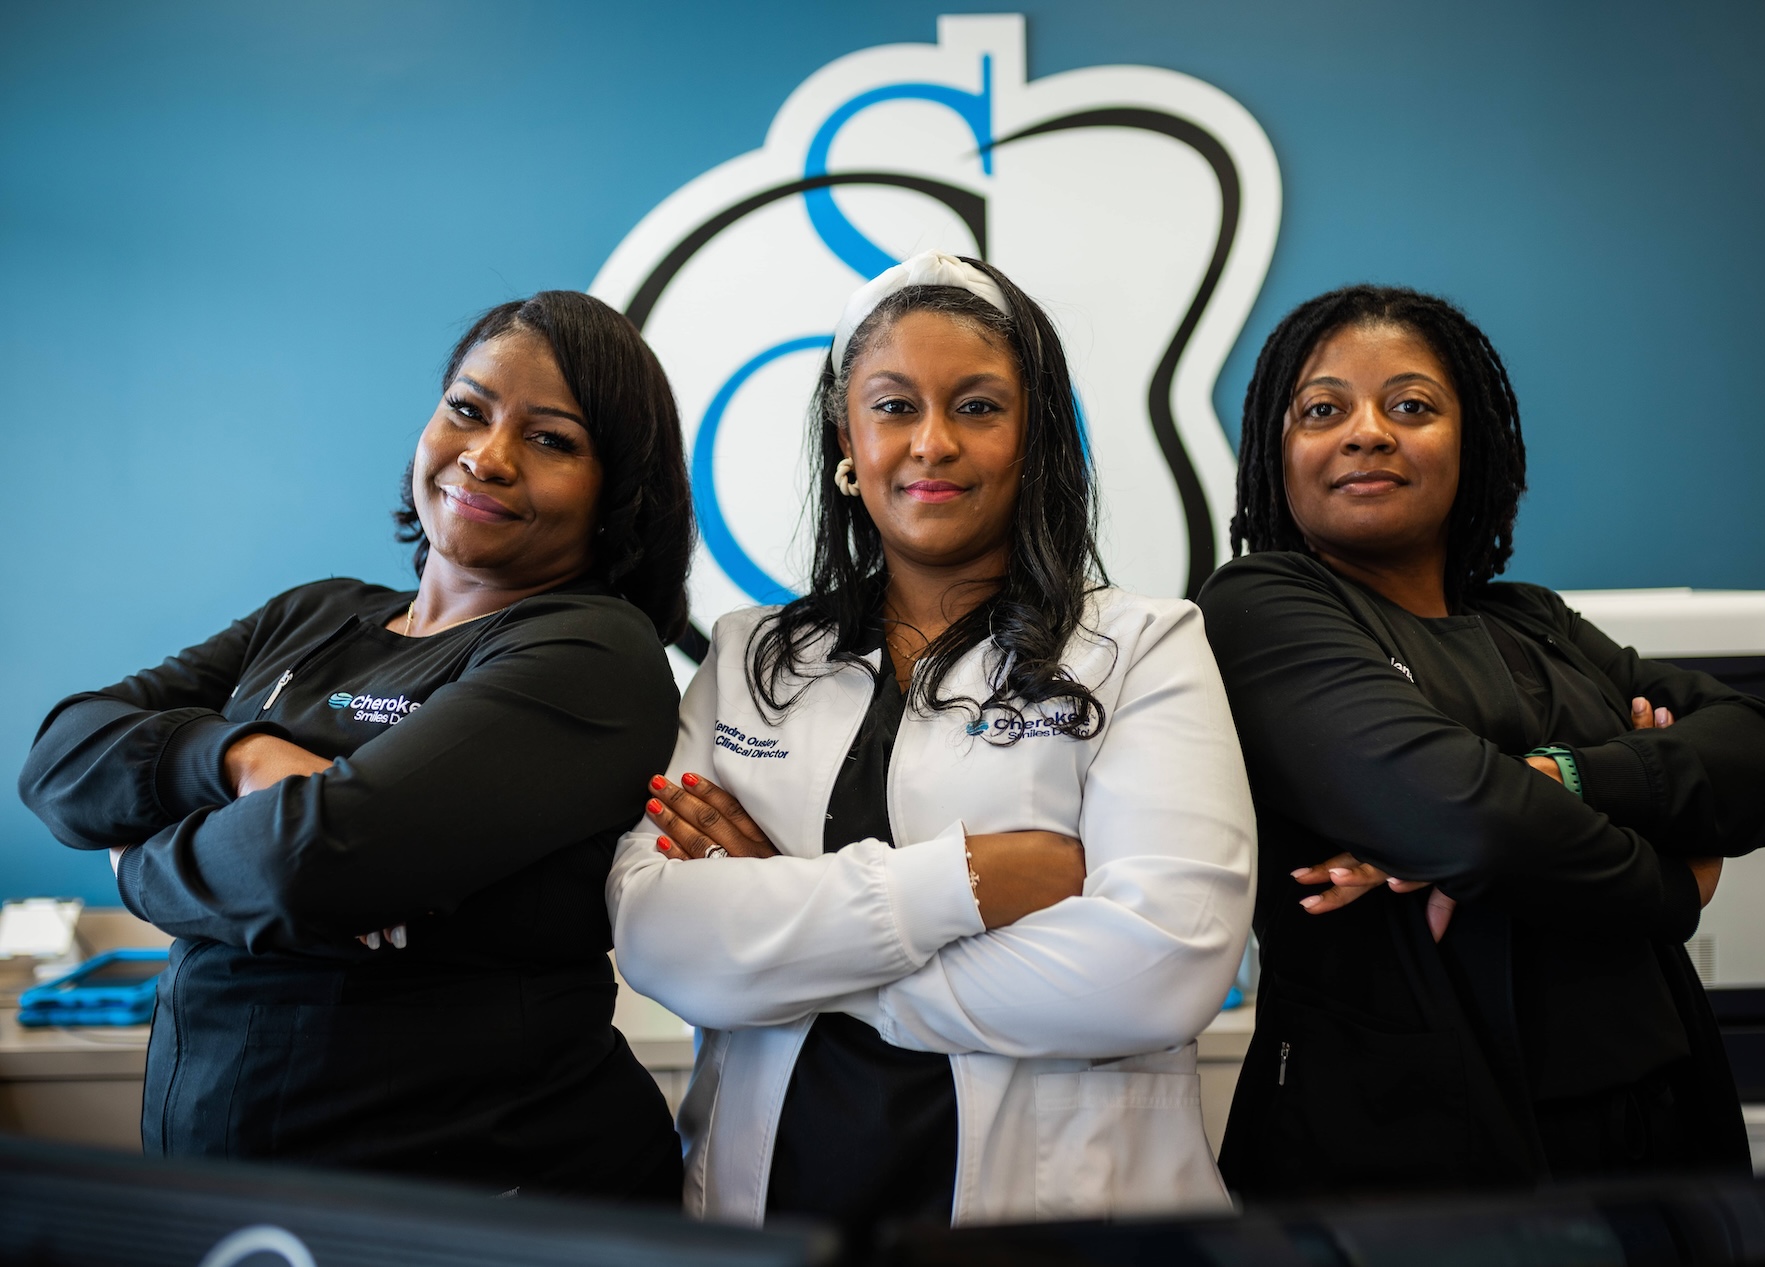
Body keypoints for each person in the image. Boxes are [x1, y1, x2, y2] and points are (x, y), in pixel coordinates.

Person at [607, 252, 1255, 1228]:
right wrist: (964, 883)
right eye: (895, 406)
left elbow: (1160, 967)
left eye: (979, 407)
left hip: (1064, 1219)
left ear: (1033, 436)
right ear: (846, 435)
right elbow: (660, 933)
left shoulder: (1141, 648)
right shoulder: (749, 659)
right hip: (775, 1218)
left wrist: (797, 948)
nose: (933, 443)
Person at [18, 291, 693, 1202]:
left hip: (475, 1204)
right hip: (238, 1198)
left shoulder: (593, 652)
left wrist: (138, 862)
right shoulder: (315, 613)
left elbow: (317, 858)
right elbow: (60, 759)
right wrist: (237, 759)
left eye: (551, 440)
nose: (487, 456)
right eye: (468, 407)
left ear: (619, 492)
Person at [1200, 284, 1765, 1196]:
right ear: (1278, 451)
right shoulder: (1263, 607)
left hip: (1656, 1120)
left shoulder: (1534, 620)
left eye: (1411, 405)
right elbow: (1466, 817)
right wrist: (1675, 873)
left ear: (1471, 440)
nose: (1367, 431)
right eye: (1323, 409)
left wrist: (1552, 775)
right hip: (1403, 1156)